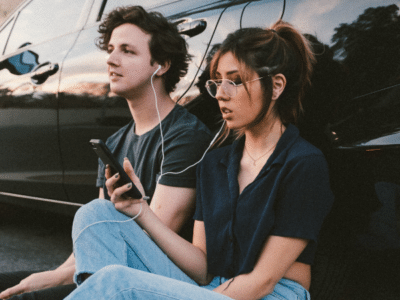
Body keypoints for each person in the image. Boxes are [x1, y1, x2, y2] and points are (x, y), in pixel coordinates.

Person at [62, 19, 334, 300]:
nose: (221, 94)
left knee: (117, 283)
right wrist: (139, 209)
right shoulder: (214, 163)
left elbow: (261, 282)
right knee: (95, 215)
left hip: (272, 294)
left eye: (236, 81)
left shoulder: (304, 163)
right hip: (211, 287)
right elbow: (202, 268)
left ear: (276, 86)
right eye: (217, 82)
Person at [0, 6, 212, 300]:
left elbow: (147, 240)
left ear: (161, 64)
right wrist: (56, 272)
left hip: (152, 275)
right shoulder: (114, 142)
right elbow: (96, 229)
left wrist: (55, 278)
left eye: (127, 51)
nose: (111, 59)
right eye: (111, 49)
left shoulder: (185, 136)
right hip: (109, 263)